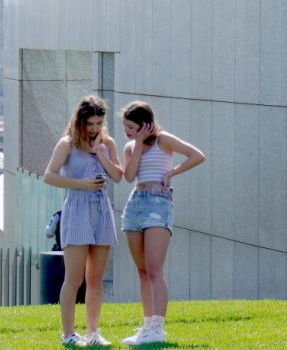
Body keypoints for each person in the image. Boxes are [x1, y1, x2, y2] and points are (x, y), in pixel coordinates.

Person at [118, 101, 205, 345]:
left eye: (131, 127)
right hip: (135, 204)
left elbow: (197, 155)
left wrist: (171, 173)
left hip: (159, 203)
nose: (127, 131)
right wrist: (135, 145)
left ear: (146, 125)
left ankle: (158, 329)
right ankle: (147, 327)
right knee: (142, 271)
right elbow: (129, 176)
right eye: (125, 126)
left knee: (155, 269)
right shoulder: (129, 147)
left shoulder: (163, 139)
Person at [43, 95, 123, 346]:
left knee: (96, 279)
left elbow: (119, 176)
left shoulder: (107, 143)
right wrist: (81, 184)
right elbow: (49, 176)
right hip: (76, 210)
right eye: (90, 124)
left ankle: (93, 333)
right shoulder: (66, 144)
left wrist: (100, 153)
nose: (95, 128)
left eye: (99, 123)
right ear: (80, 121)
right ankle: (68, 335)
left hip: (101, 210)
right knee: (74, 279)